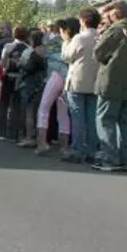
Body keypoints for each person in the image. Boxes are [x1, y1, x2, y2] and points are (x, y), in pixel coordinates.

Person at [92, 0, 127, 172]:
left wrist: (103, 33)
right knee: (125, 122)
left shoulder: (115, 29)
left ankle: (110, 158)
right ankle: (126, 159)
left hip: (112, 81)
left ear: (115, 13)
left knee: (106, 120)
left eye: (108, 13)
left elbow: (98, 52)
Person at [61, 8, 101, 163]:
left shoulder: (79, 38)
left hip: (77, 82)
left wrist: (65, 41)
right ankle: (92, 150)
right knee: (91, 119)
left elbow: (66, 56)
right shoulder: (100, 37)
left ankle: (77, 150)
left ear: (83, 21)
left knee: (78, 118)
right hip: (94, 81)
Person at [36, 18, 75, 156]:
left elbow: (47, 55)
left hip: (55, 75)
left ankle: (42, 143)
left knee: (43, 108)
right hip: (68, 78)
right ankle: (64, 146)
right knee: (63, 113)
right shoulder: (75, 41)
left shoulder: (53, 42)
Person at [0, 26, 28, 140]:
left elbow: (3, 64)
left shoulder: (8, 47)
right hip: (21, 78)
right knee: (17, 106)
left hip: (8, 77)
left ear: (14, 35)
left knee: (3, 105)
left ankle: (0, 132)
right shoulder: (28, 48)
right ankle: (14, 133)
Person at [15, 30, 47, 148]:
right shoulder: (46, 51)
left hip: (30, 83)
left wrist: (21, 65)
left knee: (29, 111)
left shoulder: (33, 52)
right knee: (40, 112)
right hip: (41, 83)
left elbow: (27, 67)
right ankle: (39, 137)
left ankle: (29, 137)